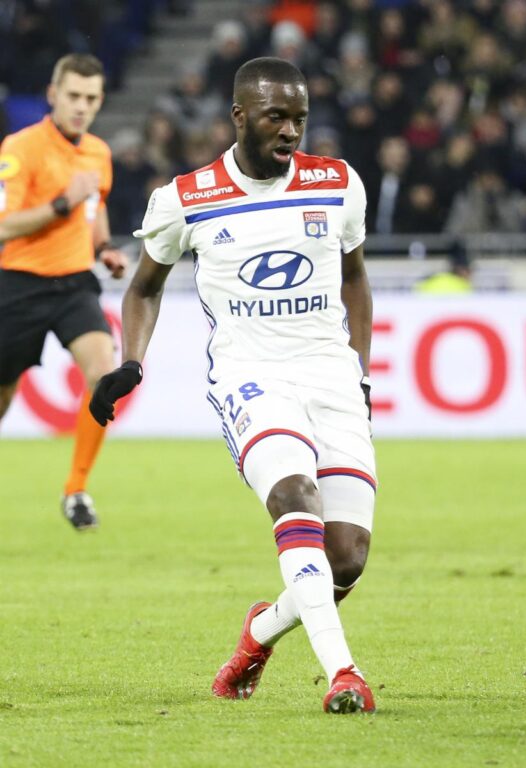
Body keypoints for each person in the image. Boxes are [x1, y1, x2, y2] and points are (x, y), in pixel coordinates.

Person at [89, 57, 377, 714]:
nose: (291, 131)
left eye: (300, 118)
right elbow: (143, 289)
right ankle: (344, 673)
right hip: (251, 380)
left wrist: (359, 371)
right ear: (240, 116)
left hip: (331, 377)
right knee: (294, 496)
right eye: (277, 117)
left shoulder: (338, 183)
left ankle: (259, 634)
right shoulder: (186, 198)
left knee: (346, 559)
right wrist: (132, 362)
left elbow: (355, 278)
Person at [0, 53, 128, 530]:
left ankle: (76, 489)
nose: (81, 106)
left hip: (75, 283)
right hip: (19, 283)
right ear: (53, 95)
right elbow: (3, 226)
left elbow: (94, 207)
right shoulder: (20, 148)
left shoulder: (98, 153)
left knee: (104, 375)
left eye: (91, 98)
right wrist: (61, 203)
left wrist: (105, 248)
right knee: (3, 398)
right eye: (73, 95)